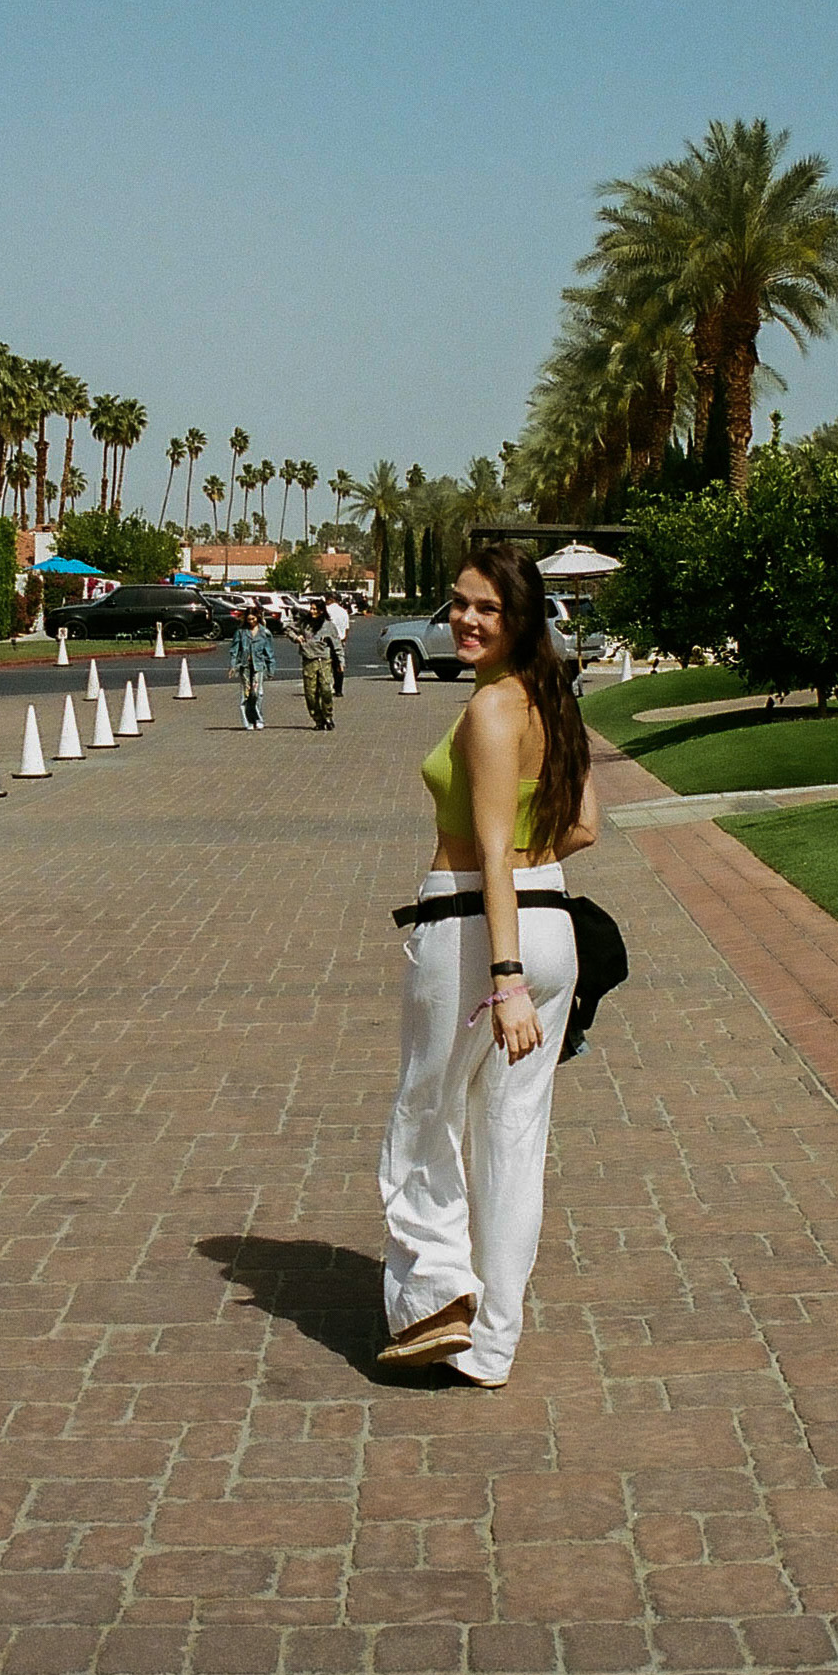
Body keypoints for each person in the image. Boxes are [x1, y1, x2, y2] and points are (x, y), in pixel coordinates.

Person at [377, 543, 598, 1388]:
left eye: (486, 609)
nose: (465, 620)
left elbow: (493, 857)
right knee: (512, 1137)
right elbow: (582, 829)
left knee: (424, 1113)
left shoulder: (489, 714)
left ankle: (438, 1298)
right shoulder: (552, 700)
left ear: (518, 621)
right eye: (458, 603)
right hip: (554, 921)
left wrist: (505, 982)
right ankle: (492, 1346)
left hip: (478, 933)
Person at [292, 602, 338, 730]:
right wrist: (296, 637)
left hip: (324, 660)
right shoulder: (304, 624)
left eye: (315, 609)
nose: (312, 612)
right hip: (309, 661)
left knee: (326, 690)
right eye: (311, 609)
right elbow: (288, 629)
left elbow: (337, 644)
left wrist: (341, 662)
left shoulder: (329, 626)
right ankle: (318, 719)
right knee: (311, 694)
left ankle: (328, 716)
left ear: (321, 611)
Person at [229, 607, 275, 730]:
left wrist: (271, 669)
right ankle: (248, 721)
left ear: (258, 617)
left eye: (253, 619)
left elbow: (269, 652)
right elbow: (234, 650)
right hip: (244, 666)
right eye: (249, 619)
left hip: (259, 666)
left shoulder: (265, 633)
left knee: (258, 693)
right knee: (246, 694)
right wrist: (233, 666)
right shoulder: (240, 632)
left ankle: (258, 719)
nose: (251, 622)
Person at [321, 592, 349, 697]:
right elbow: (347, 628)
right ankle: (339, 689)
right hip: (340, 640)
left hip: (328, 641)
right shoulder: (343, 612)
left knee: (326, 664)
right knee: (339, 664)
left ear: (330, 600)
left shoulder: (327, 610)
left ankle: (327, 687)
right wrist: (344, 639)